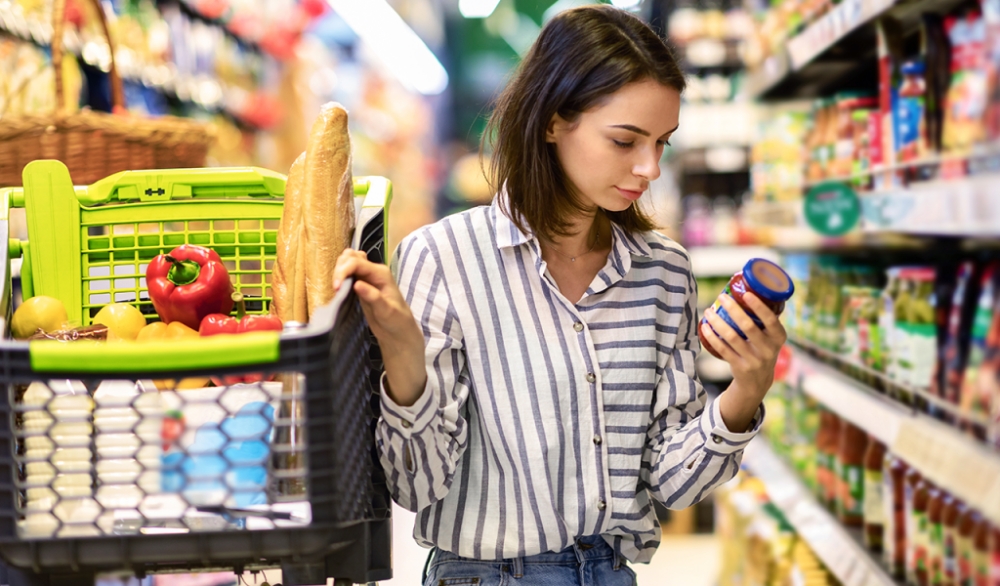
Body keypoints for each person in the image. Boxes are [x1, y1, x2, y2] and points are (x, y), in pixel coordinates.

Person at [332, 5, 786, 585]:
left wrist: (746, 390)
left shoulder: (664, 271)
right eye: (625, 140)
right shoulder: (443, 259)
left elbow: (675, 484)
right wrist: (402, 359)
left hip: (610, 572)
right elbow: (415, 485)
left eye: (662, 143)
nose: (648, 167)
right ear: (552, 120)